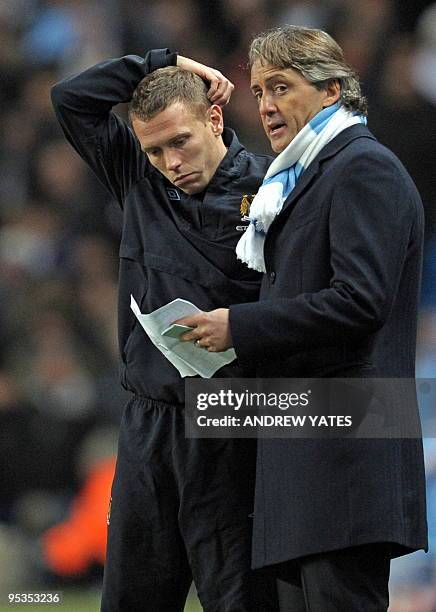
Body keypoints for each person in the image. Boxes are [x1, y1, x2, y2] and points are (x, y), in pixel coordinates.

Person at [178, 26, 428, 611]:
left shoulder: (364, 168)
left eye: (281, 87)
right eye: (259, 90)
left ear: (332, 91)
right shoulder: (300, 178)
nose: (264, 105)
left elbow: (360, 301)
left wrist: (238, 328)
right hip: (305, 449)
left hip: (346, 452)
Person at [51, 50, 278, 611]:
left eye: (180, 141)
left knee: (237, 599)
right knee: (132, 597)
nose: (169, 161)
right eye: (154, 149)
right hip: (149, 423)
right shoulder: (137, 176)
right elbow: (70, 100)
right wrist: (165, 62)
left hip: (230, 421)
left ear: (215, 120)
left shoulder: (274, 192)